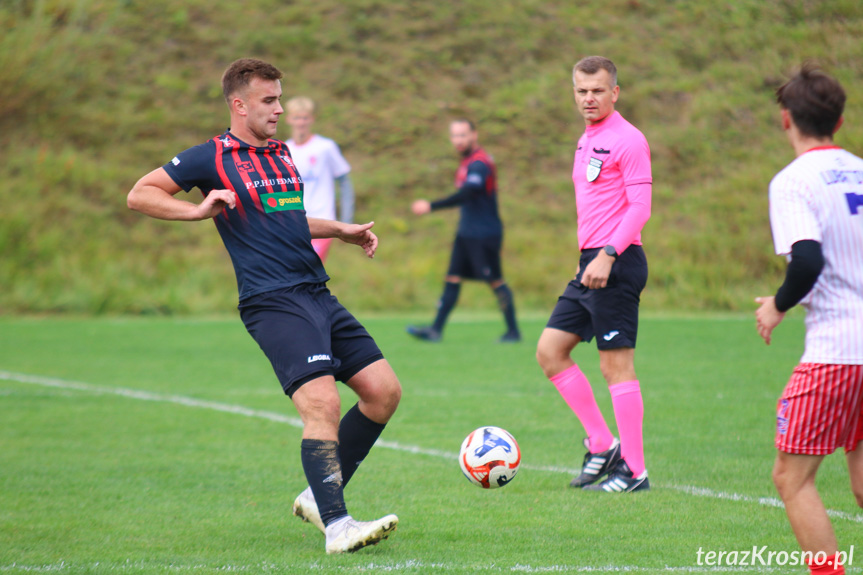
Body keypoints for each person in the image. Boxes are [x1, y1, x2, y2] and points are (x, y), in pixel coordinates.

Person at [126, 58, 401, 555]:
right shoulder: (208, 157)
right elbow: (139, 194)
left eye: (279, 98)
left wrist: (340, 230)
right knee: (322, 405)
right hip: (271, 301)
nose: (279, 109)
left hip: (316, 291)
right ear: (239, 104)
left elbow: (286, 217)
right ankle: (338, 526)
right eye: (269, 101)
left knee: (383, 392)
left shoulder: (280, 154)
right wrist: (196, 209)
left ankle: (319, 497)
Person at [755, 63, 863, 575]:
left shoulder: (793, 181)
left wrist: (777, 305)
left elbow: (808, 259)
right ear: (839, 122)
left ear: (785, 120)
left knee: (791, 479)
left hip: (837, 354)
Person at [535, 56, 652, 493]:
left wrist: (606, 254)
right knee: (550, 351)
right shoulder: (587, 139)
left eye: (598, 90)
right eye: (582, 91)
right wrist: (586, 258)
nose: (589, 98)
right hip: (591, 263)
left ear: (615, 92)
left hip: (616, 263)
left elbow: (640, 207)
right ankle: (603, 444)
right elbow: (596, 206)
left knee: (616, 367)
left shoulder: (629, 139)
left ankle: (635, 470)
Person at [407, 119, 520, 343]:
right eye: (454, 136)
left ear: (474, 135)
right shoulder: (468, 162)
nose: (458, 140)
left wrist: (431, 206)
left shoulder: (480, 164)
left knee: (495, 280)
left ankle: (513, 331)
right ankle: (435, 330)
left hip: (484, 234)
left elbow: (467, 194)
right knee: (452, 278)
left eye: (463, 135)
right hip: (466, 233)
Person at [284, 96, 354, 263]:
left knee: (310, 265)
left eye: (305, 118)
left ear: (312, 119)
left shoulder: (325, 147)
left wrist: (346, 221)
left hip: (322, 220)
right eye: (296, 118)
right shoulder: (284, 150)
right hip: (295, 221)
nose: (301, 122)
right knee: (294, 270)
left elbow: (345, 184)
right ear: (288, 120)